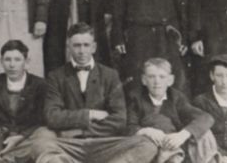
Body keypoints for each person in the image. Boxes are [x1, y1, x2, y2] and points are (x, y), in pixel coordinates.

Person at [31, 23, 157, 163]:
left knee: (146, 145)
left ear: (94, 47)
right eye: (77, 45)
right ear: (69, 47)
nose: (82, 51)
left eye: (86, 45)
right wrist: (89, 114)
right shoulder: (56, 76)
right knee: (39, 142)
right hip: (69, 145)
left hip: (104, 144)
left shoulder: (110, 75)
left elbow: (119, 119)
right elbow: (52, 116)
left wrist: (80, 131)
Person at [126, 58, 215, 163]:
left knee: (205, 133)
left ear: (170, 80)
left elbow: (205, 118)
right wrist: (147, 131)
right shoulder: (135, 97)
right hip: (153, 147)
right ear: (144, 80)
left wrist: (182, 135)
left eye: (162, 77)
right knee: (158, 121)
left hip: (175, 143)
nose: (157, 82)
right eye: (151, 77)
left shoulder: (176, 97)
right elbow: (128, 126)